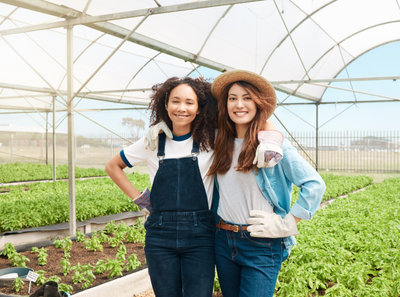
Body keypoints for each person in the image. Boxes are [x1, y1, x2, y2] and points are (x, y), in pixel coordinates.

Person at [208, 69, 326, 297]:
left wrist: (288, 222)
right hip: (223, 240)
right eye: (232, 98)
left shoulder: (273, 147)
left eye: (247, 97)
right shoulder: (218, 142)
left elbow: (315, 184)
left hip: (261, 243)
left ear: (258, 103)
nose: (239, 104)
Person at [105, 77, 218, 297]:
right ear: (165, 105)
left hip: (200, 236)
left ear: (199, 109)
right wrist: (140, 199)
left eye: (189, 102)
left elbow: (239, 113)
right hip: (160, 236)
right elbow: (113, 166)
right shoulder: (153, 141)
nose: (181, 108)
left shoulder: (210, 140)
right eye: (175, 101)